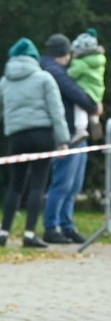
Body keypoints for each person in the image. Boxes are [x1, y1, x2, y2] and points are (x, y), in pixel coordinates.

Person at [0, 38, 67, 248]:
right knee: (37, 186)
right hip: (42, 136)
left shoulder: (5, 82)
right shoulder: (44, 78)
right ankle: (29, 235)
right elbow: (56, 111)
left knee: (15, 185)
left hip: (17, 137)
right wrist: (63, 140)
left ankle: (3, 233)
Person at [40, 33, 99, 244]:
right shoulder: (54, 71)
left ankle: (66, 225)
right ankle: (51, 226)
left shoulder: (58, 69)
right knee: (63, 183)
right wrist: (93, 106)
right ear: (64, 53)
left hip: (75, 133)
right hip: (66, 134)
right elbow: (75, 92)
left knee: (74, 185)